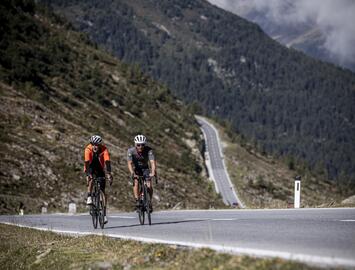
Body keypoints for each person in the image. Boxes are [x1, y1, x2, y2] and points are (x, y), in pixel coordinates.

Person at [84, 135, 113, 224]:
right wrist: (88, 174)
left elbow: (107, 162)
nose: (95, 146)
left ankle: (104, 214)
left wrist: (109, 174)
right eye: (93, 144)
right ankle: (89, 196)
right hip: (90, 167)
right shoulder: (88, 149)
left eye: (97, 144)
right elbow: (87, 163)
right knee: (91, 178)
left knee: (103, 191)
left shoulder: (104, 149)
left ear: (100, 145)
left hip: (100, 169)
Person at [127, 134, 156, 211]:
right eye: (138, 145)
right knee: (136, 182)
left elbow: (152, 162)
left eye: (142, 145)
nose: (140, 147)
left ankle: (149, 202)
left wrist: (153, 172)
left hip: (145, 169)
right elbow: (129, 163)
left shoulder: (149, 150)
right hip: (136, 169)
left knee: (149, 185)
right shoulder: (131, 151)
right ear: (135, 144)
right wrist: (132, 173)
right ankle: (137, 200)